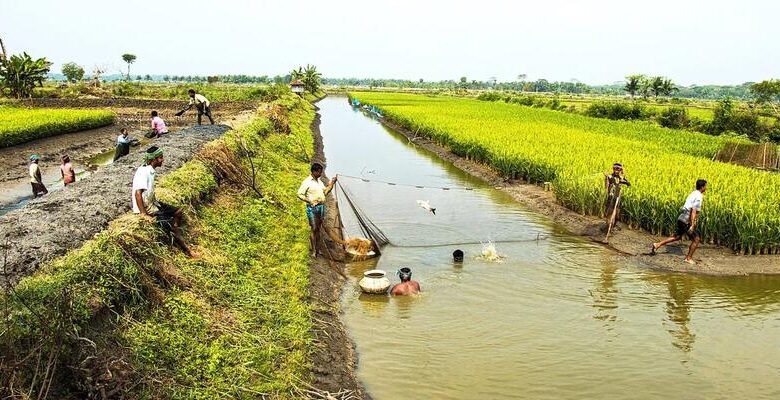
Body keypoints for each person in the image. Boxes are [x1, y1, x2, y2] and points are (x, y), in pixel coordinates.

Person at [132, 146, 196, 257]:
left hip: (153, 203)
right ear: (154, 159)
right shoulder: (144, 172)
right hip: (147, 208)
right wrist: (143, 214)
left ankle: (174, 230)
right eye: (160, 158)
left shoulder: (150, 170)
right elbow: (137, 193)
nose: (163, 160)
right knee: (170, 225)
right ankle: (187, 251)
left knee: (178, 212)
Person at [651, 179, 707, 265]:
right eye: (705, 186)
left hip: (681, 217)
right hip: (686, 219)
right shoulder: (699, 196)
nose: (706, 188)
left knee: (677, 236)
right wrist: (692, 224)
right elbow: (693, 210)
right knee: (696, 239)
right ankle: (688, 258)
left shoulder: (693, 193)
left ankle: (657, 244)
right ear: (702, 187)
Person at [296, 163, 337, 257]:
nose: (321, 174)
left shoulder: (319, 181)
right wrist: (309, 201)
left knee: (318, 229)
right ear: (314, 171)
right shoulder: (307, 182)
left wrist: (332, 183)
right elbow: (299, 194)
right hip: (312, 208)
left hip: (321, 207)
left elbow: (325, 191)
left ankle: (318, 249)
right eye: (319, 172)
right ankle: (314, 251)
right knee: (314, 228)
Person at [604, 162, 630, 227]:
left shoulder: (622, 177)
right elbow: (607, 185)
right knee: (609, 213)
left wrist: (624, 181)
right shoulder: (610, 176)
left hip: (618, 198)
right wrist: (606, 178)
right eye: (615, 169)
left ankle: (613, 226)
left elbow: (629, 184)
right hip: (611, 197)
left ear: (620, 170)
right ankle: (608, 225)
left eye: (618, 169)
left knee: (617, 216)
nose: (616, 171)